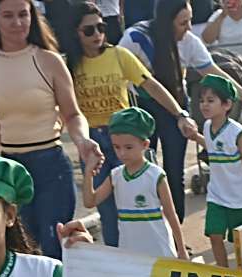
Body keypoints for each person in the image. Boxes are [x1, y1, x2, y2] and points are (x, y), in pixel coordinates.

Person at [66, 2, 199, 249]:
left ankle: (166, 249)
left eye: (101, 28)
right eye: (89, 30)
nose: (97, 35)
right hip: (94, 143)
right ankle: (120, 259)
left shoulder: (119, 55)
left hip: (126, 138)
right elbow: (66, 109)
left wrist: (180, 114)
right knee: (108, 211)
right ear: (76, 33)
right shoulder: (69, 66)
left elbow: (152, 86)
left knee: (143, 202)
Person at [121, 0, 242, 220]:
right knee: (143, 169)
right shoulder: (136, 39)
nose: (189, 28)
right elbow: (119, 76)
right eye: (183, 23)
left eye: (189, 21)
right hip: (143, 108)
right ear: (166, 22)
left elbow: (215, 72)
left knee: (174, 171)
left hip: (176, 110)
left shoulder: (189, 42)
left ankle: (176, 226)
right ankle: (150, 224)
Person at [0, 0, 101, 259]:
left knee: (55, 245)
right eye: (8, 16)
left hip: (50, 165)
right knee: (23, 249)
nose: (17, 22)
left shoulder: (49, 60)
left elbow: (72, 114)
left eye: (23, 14)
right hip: (10, 170)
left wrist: (82, 140)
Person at [82, 106, 186, 258]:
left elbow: (171, 214)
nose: (122, 153)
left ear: (145, 144)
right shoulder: (115, 176)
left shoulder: (156, 175)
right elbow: (90, 202)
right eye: (116, 147)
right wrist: (88, 173)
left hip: (159, 251)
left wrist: (181, 249)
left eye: (128, 147)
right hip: (130, 253)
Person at [196, 72, 242, 266]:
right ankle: (223, 272)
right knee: (215, 235)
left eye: (211, 100)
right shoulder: (207, 126)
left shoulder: (237, 132)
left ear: (226, 105)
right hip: (216, 195)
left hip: (239, 198)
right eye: (202, 100)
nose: (204, 105)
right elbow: (213, 147)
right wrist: (195, 137)